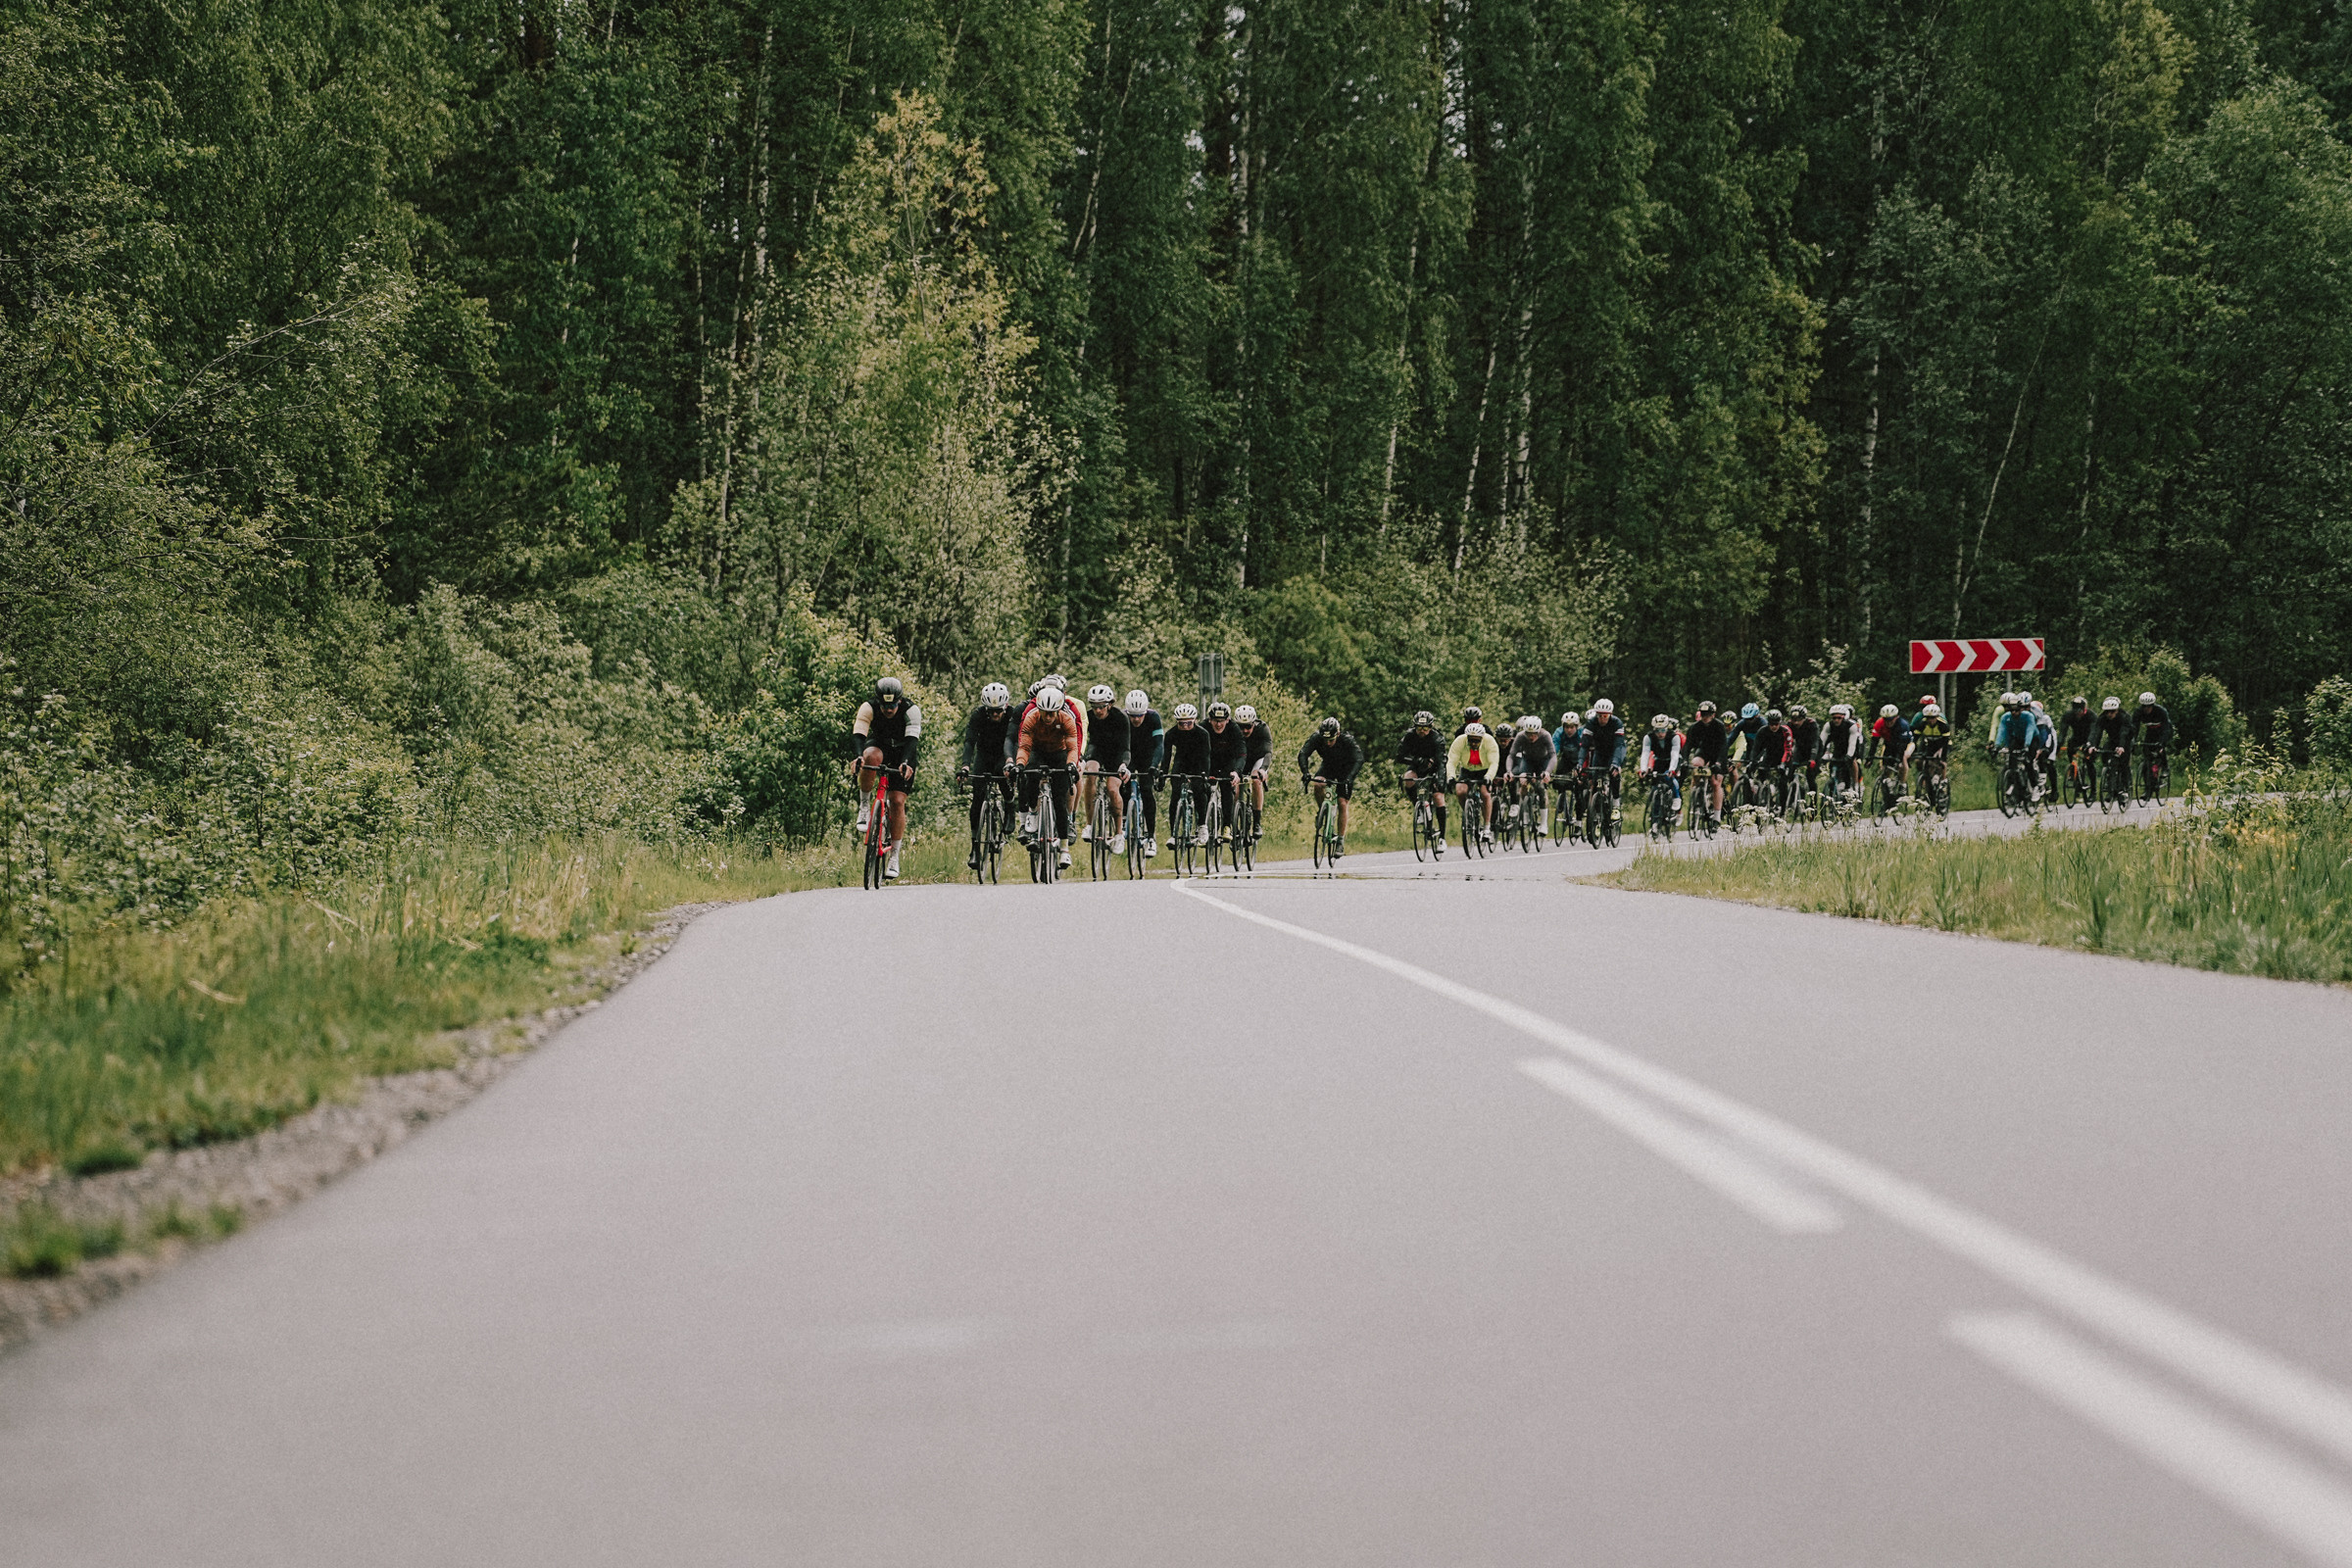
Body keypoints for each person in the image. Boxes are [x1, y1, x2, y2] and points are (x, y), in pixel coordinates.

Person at [852, 676, 922, 880]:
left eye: (892, 705)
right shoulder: (868, 707)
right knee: (869, 757)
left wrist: (906, 762)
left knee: (897, 801)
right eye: (884, 706)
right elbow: (859, 734)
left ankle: (894, 856)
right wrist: (858, 756)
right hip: (880, 745)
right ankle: (865, 806)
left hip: (902, 752)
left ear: (899, 701)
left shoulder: (911, 710)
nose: (888, 710)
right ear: (878, 701)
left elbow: (912, 741)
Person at [1014, 684, 1079, 868]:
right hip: (1038, 752)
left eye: (1052, 713)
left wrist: (1071, 765)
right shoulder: (1031, 718)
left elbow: (1073, 747)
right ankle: (1033, 813)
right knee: (1030, 777)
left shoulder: (1066, 719)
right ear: (1039, 710)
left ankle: (1065, 849)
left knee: (1059, 799)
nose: (1049, 717)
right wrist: (1019, 764)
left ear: (1058, 710)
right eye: (1045, 713)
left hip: (1059, 753)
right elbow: (1025, 747)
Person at [956, 681, 1017, 870]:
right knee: (977, 799)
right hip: (984, 755)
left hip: (1004, 755)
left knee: (1003, 774)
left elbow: (1015, 740)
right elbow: (969, 742)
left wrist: (1011, 762)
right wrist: (965, 766)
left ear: (1005, 707)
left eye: (998, 711)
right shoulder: (978, 715)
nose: (995, 715)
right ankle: (975, 847)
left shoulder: (1012, 714)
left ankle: (1009, 806)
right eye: (991, 711)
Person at [1077, 684, 1130, 856]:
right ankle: (1090, 824)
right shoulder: (1089, 717)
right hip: (1097, 750)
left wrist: (1123, 765)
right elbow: (1084, 739)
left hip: (1116, 754)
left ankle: (1119, 834)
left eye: (1101, 706)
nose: (1098, 711)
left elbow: (1125, 747)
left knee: (1112, 788)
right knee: (1090, 773)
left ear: (1110, 704)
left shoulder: (1120, 718)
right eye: (1094, 706)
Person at [1298, 716, 1364, 855]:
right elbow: (1303, 753)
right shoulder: (1317, 737)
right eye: (1325, 740)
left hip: (1345, 770)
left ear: (1338, 734)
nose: (1328, 743)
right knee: (1318, 784)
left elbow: (1359, 759)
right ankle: (1323, 811)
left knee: (1342, 802)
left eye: (1331, 740)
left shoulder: (1347, 740)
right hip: (1328, 767)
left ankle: (1340, 840)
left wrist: (1350, 778)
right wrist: (1305, 772)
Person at [1159, 703, 1213, 846]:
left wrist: (1205, 776)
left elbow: (1206, 757)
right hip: (1181, 763)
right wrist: (1163, 775)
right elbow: (1167, 757)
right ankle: (1173, 834)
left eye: (1188, 723)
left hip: (1198, 764)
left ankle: (1202, 826)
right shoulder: (1171, 734)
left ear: (1194, 720)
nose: (1184, 726)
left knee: (1199, 790)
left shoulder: (1203, 734)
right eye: (1181, 723)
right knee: (1175, 794)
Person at [1396, 710, 1448, 856]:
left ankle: (1442, 839)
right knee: (1408, 779)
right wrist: (1416, 760)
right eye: (1419, 728)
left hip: (1436, 767)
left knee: (1438, 797)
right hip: (1418, 766)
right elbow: (1399, 756)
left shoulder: (1437, 739)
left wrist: (1439, 779)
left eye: (1425, 728)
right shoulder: (1409, 736)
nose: (1422, 731)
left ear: (1431, 727)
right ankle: (1420, 808)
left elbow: (1441, 762)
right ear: (1415, 727)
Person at [1447, 721, 1505, 841]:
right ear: (1467, 738)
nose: (1474, 743)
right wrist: (1451, 777)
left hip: (1484, 771)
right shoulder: (1459, 741)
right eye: (1471, 740)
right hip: (1467, 769)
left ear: (1482, 738)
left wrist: (1489, 777)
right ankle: (1468, 815)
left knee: (1485, 793)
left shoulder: (1490, 742)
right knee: (1460, 791)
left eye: (1477, 740)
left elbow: (1494, 763)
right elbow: (1451, 761)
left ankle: (1487, 827)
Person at [1124, 691, 1163, 858]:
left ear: (1145, 712)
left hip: (1147, 757)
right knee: (1123, 784)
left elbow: (1159, 745)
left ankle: (1151, 837)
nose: (1136, 720)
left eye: (1140, 715)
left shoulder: (1154, 718)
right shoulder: (1122, 718)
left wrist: (1155, 766)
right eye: (1133, 716)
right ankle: (1125, 818)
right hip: (1129, 756)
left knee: (1147, 790)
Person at [1580, 698, 1627, 825]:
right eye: (1599, 715)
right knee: (1594, 778)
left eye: (1605, 716)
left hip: (1615, 751)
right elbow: (1584, 746)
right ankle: (1596, 809)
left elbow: (1618, 746)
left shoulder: (1617, 723)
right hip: (1600, 752)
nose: (1602, 719)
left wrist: (1616, 764)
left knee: (1614, 774)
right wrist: (1579, 764)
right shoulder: (1591, 723)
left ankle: (1616, 806)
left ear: (1610, 715)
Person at [1204, 701, 1250, 832]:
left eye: (1222, 721)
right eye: (1215, 721)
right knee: (1203, 788)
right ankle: (1203, 824)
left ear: (1228, 720)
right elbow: (1195, 751)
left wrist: (1236, 771)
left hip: (1227, 763)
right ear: (1209, 720)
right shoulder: (1203, 727)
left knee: (1227, 789)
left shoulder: (1234, 729)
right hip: (1209, 762)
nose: (1218, 724)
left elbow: (1242, 753)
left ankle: (1227, 826)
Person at [1506, 715, 1556, 835]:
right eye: (1528, 734)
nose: (1531, 737)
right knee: (1523, 782)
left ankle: (1544, 824)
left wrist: (1547, 772)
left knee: (1540, 787)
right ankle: (1525, 813)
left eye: (1534, 734)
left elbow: (1553, 755)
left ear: (1538, 731)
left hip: (1543, 761)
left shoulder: (1545, 735)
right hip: (1528, 760)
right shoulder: (1520, 736)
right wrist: (1509, 771)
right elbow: (1511, 755)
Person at [1685, 700, 1731, 822]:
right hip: (1704, 752)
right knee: (1695, 764)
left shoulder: (1719, 726)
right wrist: (1683, 761)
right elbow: (1688, 746)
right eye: (1703, 714)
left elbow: (1723, 747)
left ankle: (1716, 816)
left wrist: (1718, 763)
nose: (1705, 717)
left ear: (1713, 715)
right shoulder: (1695, 727)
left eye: (1708, 714)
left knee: (1716, 783)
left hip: (1718, 755)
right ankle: (1697, 793)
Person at [1235, 703, 1274, 835]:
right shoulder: (1232, 731)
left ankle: (1257, 823)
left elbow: (1268, 752)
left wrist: (1263, 769)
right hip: (1241, 760)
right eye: (1241, 727)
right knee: (1235, 786)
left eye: (1248, 727)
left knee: (1256, 780)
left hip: (1257, 760)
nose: (1245, 731)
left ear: (1254, 723)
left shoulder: (1262, 729)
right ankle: (1235, 820)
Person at [1991, 691, 2038, 802]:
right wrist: (1997, 746)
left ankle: (2035, 786)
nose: (2014, 713)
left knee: (2028, 761)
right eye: (2012, 710)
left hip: (2032, 739)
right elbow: (2001, 732)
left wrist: (2026, 746)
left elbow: (2030, 731)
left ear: (2021, 709)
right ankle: (2013, 784)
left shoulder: (2029, 716)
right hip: (2017, 739)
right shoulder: (2006, 717)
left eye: (2017, 710)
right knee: (2012, 761)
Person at [1548, 710, 1585, 841]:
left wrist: (1579, 768)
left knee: (1579, 791)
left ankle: (1579, 824)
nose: (1569, 730)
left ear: (1576, 727)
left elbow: (1584, 752)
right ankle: (1562, 799)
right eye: (1566, 727)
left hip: (1579, 760)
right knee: (1558, 780)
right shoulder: (1559, 733)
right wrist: (1549, 768)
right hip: (1566, 760)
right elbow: (1554, 751)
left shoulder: (1581, 734)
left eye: (1571, 727)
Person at [1639, 714, 1684, 817]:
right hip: (1659, 760)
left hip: (1673, 760)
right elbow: (1645, 753)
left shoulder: (1674, 737)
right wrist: (1643, 769)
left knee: (1669, 777)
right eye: (1657, 730)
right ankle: (1655, 819)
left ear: (1667, 728)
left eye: (1663, 730)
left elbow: (1675, 754)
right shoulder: (1648, 737)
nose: (1660, 733)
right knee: (1655, 785)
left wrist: (1672, 769)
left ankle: (1676, 797)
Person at [1908, 700, 1952, 799]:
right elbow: (1914, 739)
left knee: (1941, 763)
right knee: (1927, 763)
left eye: (1933, 718)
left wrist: (1943, 758)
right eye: (1928, 718)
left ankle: (1943, 784)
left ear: (1937, 717)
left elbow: (1945, 744)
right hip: (1931, 743)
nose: (1930, 720)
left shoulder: (1943, 725)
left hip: (1943, 744)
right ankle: (1929, 787)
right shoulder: (1922, 724)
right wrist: (1910, 752)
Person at [2133, 690, 2172, 800]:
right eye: (2144, 706)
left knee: (2160, 749)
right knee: (2147, 763)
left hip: (2163, 731)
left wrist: (2162, 744)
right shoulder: (2139, 712)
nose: (2146, 709)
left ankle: (2165, 767)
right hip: (2151, 732)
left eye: (2149, 706)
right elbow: (2135, 727)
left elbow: (2166, 729)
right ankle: (2148, 789)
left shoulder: (2161, 711)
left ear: (2153, 705)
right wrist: (2133, 741)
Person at [1821, 703, 1864, 797]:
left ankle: (1855, 785)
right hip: (1838, 749)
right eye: (1834, 718)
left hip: (1850, 747)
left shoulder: (1851, 725)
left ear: (1844, 717)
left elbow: (1852, 743)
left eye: (1839, 718)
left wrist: (1849, 756)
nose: (1836, 720)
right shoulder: (1828, 725)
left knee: (1852, 762)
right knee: (1833, 766)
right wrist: (1820, 754)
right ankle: (1833, 790)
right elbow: (1822, 741)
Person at [2057, 696, 2094, 797]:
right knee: (2070, 745)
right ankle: (2074, 774)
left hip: (2089, 738)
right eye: (2075, 712)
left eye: (2080, 711)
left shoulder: (2091, 715)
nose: (2078, 714)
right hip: (2076, 738)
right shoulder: (2068, 716)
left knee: (2089, 762)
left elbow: (2094, 732)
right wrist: (2058, 745)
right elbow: (2063, 732)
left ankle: (2093, 790)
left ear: (2084, 709)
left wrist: (2089, 744)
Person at [2093, 695, 2130, 793]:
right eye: (2107, 712)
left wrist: (2121, 746)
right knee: (2105, 755)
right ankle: (2109, 778)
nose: (2109, 714)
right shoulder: (2102, 718)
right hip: (2113, 740)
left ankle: (2125, 787)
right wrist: (2094, 746)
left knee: (2123, 763)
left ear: (2117, 710)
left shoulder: (2124, 717)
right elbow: (2097, 732)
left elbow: (2124, 732)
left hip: (2126, 740)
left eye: (2112, 711)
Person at [1870, 703, 1909, 793]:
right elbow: (1874, 742)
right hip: (1889, 744)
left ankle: (1903, 785)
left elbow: (1902, 746)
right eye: (1886, 719)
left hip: (1905, 744)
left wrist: (1898, 760)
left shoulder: (1903, 725)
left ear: (1896, 717)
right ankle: (1887, 792)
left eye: (1891, 719)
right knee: (1885, 768)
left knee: (1902, 761)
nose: (1888, 722)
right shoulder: (1879, 723)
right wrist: (1870, 757)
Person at [1788, 705, 1822, 797]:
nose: (1796, 723)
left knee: (1810, 776)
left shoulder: (1812, 724)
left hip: (1814, 750)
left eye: (1798, 720)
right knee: (1790, 771)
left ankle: (1813, 802)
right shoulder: (1789, 724)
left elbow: (1815, 743)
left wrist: (1812, 759)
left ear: (1804, 718)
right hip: (1800, 748)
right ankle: (1796, 794)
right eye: (1794, 720)